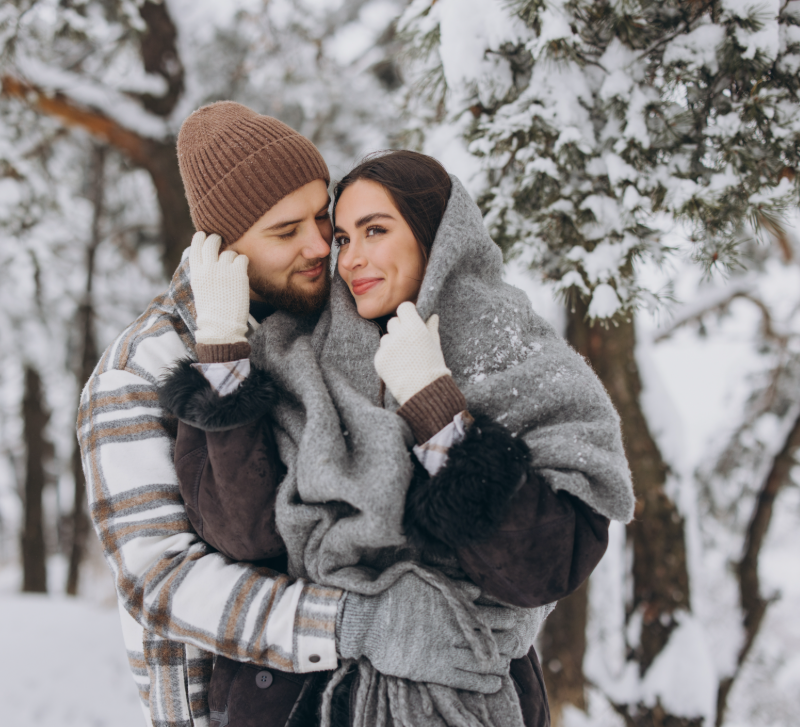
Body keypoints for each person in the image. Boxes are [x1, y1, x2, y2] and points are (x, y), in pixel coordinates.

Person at [160, 150, 636, 726]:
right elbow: (241, 533)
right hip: (303, 699)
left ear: (439, 238)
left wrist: (440, 413)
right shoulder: (293, 355)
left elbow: (544, 566)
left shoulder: (521, 357)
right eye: (341, 238)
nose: (351, 258)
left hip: (470, 689)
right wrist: (220, 346)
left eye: (375, 231)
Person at [75, 104, 504, 727]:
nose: (317, 246)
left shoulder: (348, 310)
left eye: (321, 216)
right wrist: (355, 622)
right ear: (221, 246)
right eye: (284, 232)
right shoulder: (137, 369)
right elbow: (160, 580)